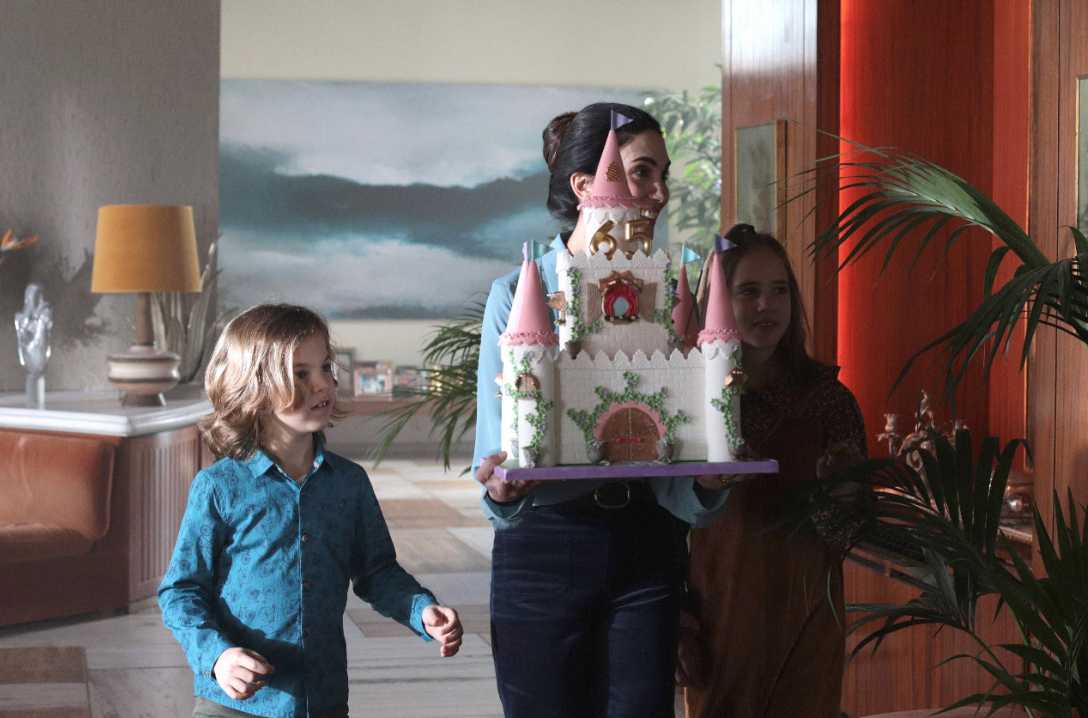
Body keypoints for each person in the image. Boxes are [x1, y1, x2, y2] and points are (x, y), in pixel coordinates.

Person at [472, 102, 731, 718]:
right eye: (641, 172)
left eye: (663, 173)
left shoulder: (672, 291)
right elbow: (498, 452)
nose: (659, 192)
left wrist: (707, 483)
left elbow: (687, 442)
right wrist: (502, 489)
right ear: (586, 185)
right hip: (546, 546)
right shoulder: (520, 292)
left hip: (648, 542)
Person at [159, 304, 463, 718]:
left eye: (325, 368)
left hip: (323, 701)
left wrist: (421, 611)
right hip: (231, 705)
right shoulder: (219, 486)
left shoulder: (349, 483)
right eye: (301, 374)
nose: (322, 384)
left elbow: (376, 572)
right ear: (254, 389)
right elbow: (181, 591)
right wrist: (218, 656)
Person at [680, 223, 868, 718]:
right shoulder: (690, 400)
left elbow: (849, 531)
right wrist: (675, 617)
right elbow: (666, 520)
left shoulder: (829, 399)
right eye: (749, 292)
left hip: (807, 617)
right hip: (719, 613)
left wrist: (838, 495)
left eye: (779, 290)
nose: (767, 305)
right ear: (719, 300)